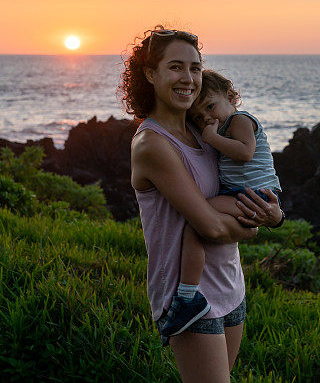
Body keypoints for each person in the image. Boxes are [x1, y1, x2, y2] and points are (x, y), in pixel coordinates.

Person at [121, 27, 284, 382]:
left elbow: (242, 187)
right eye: (176, 67)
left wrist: (276, 215)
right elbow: (209, 226)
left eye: (195, 68)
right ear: (151, 74)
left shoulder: (203, 131)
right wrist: (254, 226)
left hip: (229, 284)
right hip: (190, 300)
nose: (188, 78)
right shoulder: (153, 144)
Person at [167, 69, 282, 327]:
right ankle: (190, 290)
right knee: (200, 221)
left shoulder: (240, 121)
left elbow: (245, 153)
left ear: (231, 97)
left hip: (253, 193)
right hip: (242, 193)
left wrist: (212, 138)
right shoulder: (220, 128)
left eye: (210, 107)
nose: (207, 118)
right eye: (198, 117)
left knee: (198, 219)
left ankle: (187, 294)